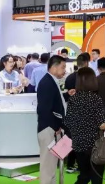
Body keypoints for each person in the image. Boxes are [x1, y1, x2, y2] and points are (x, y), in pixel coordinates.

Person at [63, 66, 105, 184]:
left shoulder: (73, 99)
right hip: (94, 144)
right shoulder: (96, 99)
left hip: (79, 143)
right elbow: (100, 123)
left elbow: (68, 122)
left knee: (84, 176)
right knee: (97, 177)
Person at [34, 55, 67, 184]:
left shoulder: (51, 81)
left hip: (52, 130)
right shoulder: (47, 83)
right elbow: (44, 110)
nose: (64, 70)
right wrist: (56, 127)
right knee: (48, 168)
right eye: (63, 67)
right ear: (54, 67)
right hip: (49, 130)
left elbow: (53, 103)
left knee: (51, 167)